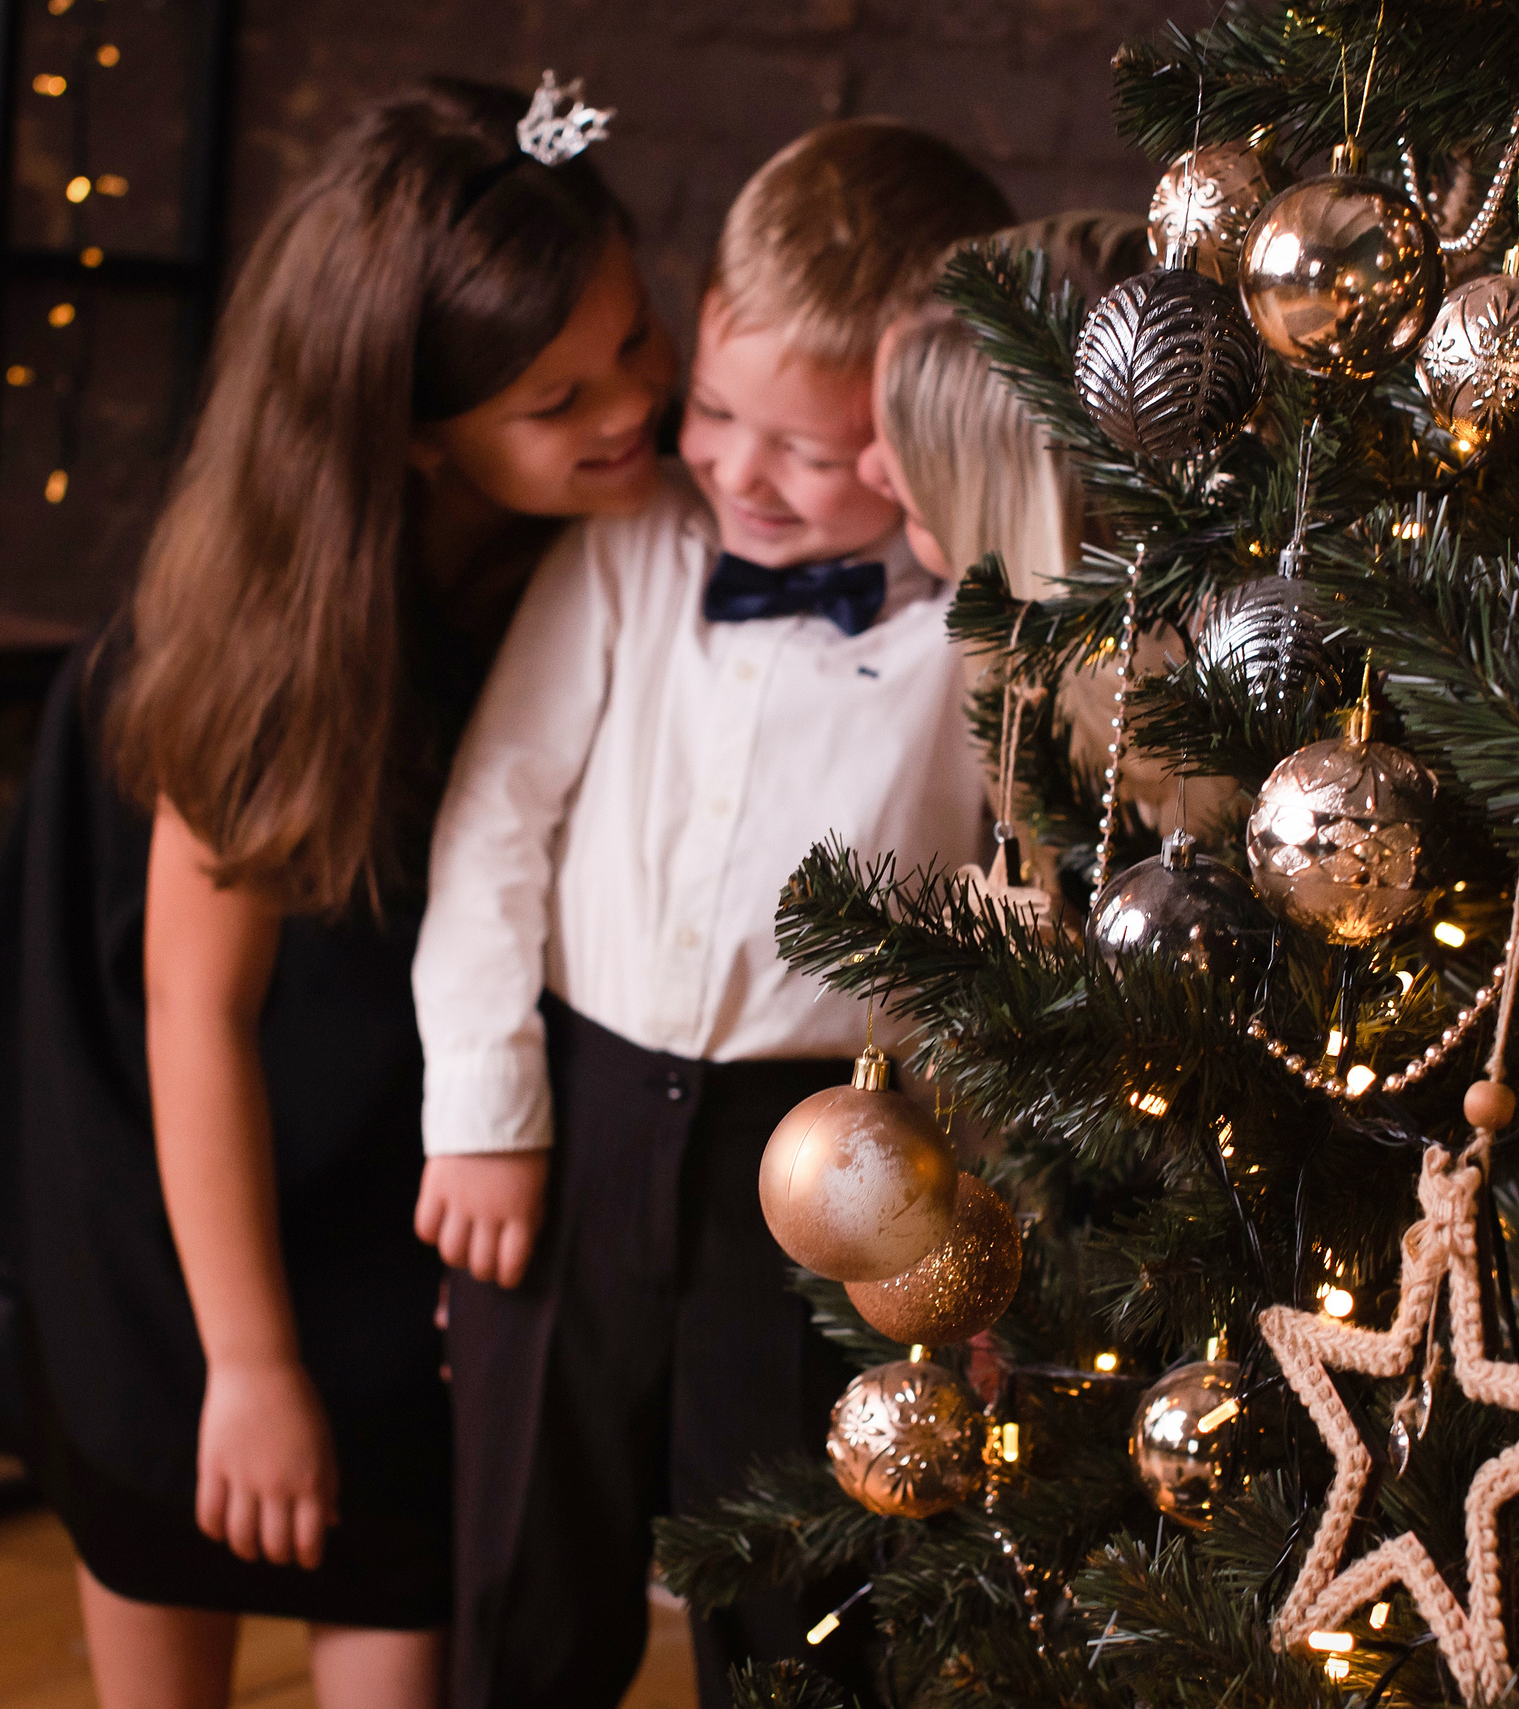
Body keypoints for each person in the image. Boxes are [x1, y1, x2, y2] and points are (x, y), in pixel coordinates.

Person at [0, 76, 674, 1709]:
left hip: (399, 1146)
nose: (629, 407)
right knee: (177, 1503)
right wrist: (246, 1362)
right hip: (173, 1169)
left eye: (635, 343)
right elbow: (197, 1007)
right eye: (559, 395)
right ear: (415, 426)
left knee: (396, 1567)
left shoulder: (600, 550)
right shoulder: (263, 637)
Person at [408, 118, 1012, 1709]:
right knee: (528, 1548)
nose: (739, 469)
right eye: (719, 411)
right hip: (580, 1114)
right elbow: (495, 826)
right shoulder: (632, 553)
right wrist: (482, 1110)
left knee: (806, 1573)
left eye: (809, 451)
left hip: (836, 1158)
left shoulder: (983, 631)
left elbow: (1016, 918)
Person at [857, 211, 1230, 860]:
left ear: (1010, 509)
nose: (869, 468)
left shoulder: (1200, 744)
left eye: (913, 452)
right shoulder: (1022, 639)